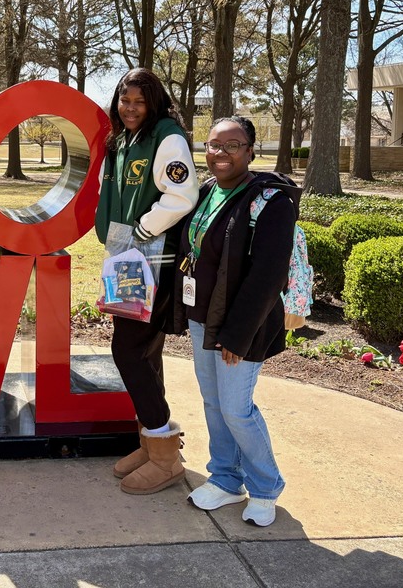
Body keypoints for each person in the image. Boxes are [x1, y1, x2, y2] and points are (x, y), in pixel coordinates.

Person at [178, 115, 298, 526]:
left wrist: (238, 334)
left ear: (250, 150)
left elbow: (267, 276)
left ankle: (265, 487)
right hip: (202, 317)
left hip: (242, 326)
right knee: (214, 404)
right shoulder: (207, 191)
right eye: (213, 145)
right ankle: (226, 479)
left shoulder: (271, 201)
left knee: (236, 408)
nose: (220, 153)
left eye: (232, 145)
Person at [95, 67, 199, 495]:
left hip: (152, 256)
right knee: (144, 350)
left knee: (129, 350)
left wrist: (142, 230)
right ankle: (153, 440)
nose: (130, 108)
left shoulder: (167, 137)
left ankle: (165, 455)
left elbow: (181, 195)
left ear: (154, 101)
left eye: (138, 101)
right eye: (124, 100)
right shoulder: (122, 140)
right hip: (126, 255)